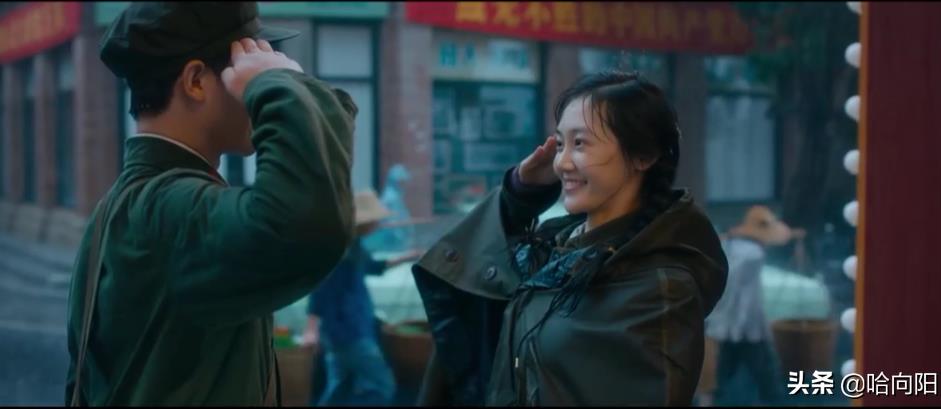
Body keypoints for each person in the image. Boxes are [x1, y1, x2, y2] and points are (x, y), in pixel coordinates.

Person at [65, 2, 357, 406]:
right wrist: (280, 87)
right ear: (196, 81)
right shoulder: (168, 209)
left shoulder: (129, 204)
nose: (252, 86)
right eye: (244, 67)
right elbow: (307, 223)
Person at [411, 71, 729, 406]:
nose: (561, 163)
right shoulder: (559, 247)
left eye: (580, 144)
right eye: (560, 143)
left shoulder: (660, 289)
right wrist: (518, 197)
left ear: (644, 155)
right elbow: (464, 275)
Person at [302, 190, 421, 406]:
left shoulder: (354, 247)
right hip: (349, 331)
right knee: (382, 386)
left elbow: (373, 266)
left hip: (344, 330)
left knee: (338, 387)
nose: (378, 224)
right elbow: (320, 292)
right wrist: (311, 329)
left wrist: (408, 257)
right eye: (374, 220)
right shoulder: (339, 253)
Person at [705, 205, 792, 405]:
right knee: (766, 377)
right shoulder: (753, 255)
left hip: (727, 324)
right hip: (747, 328)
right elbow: (745, 297)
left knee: (723, 374)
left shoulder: (730, 247)